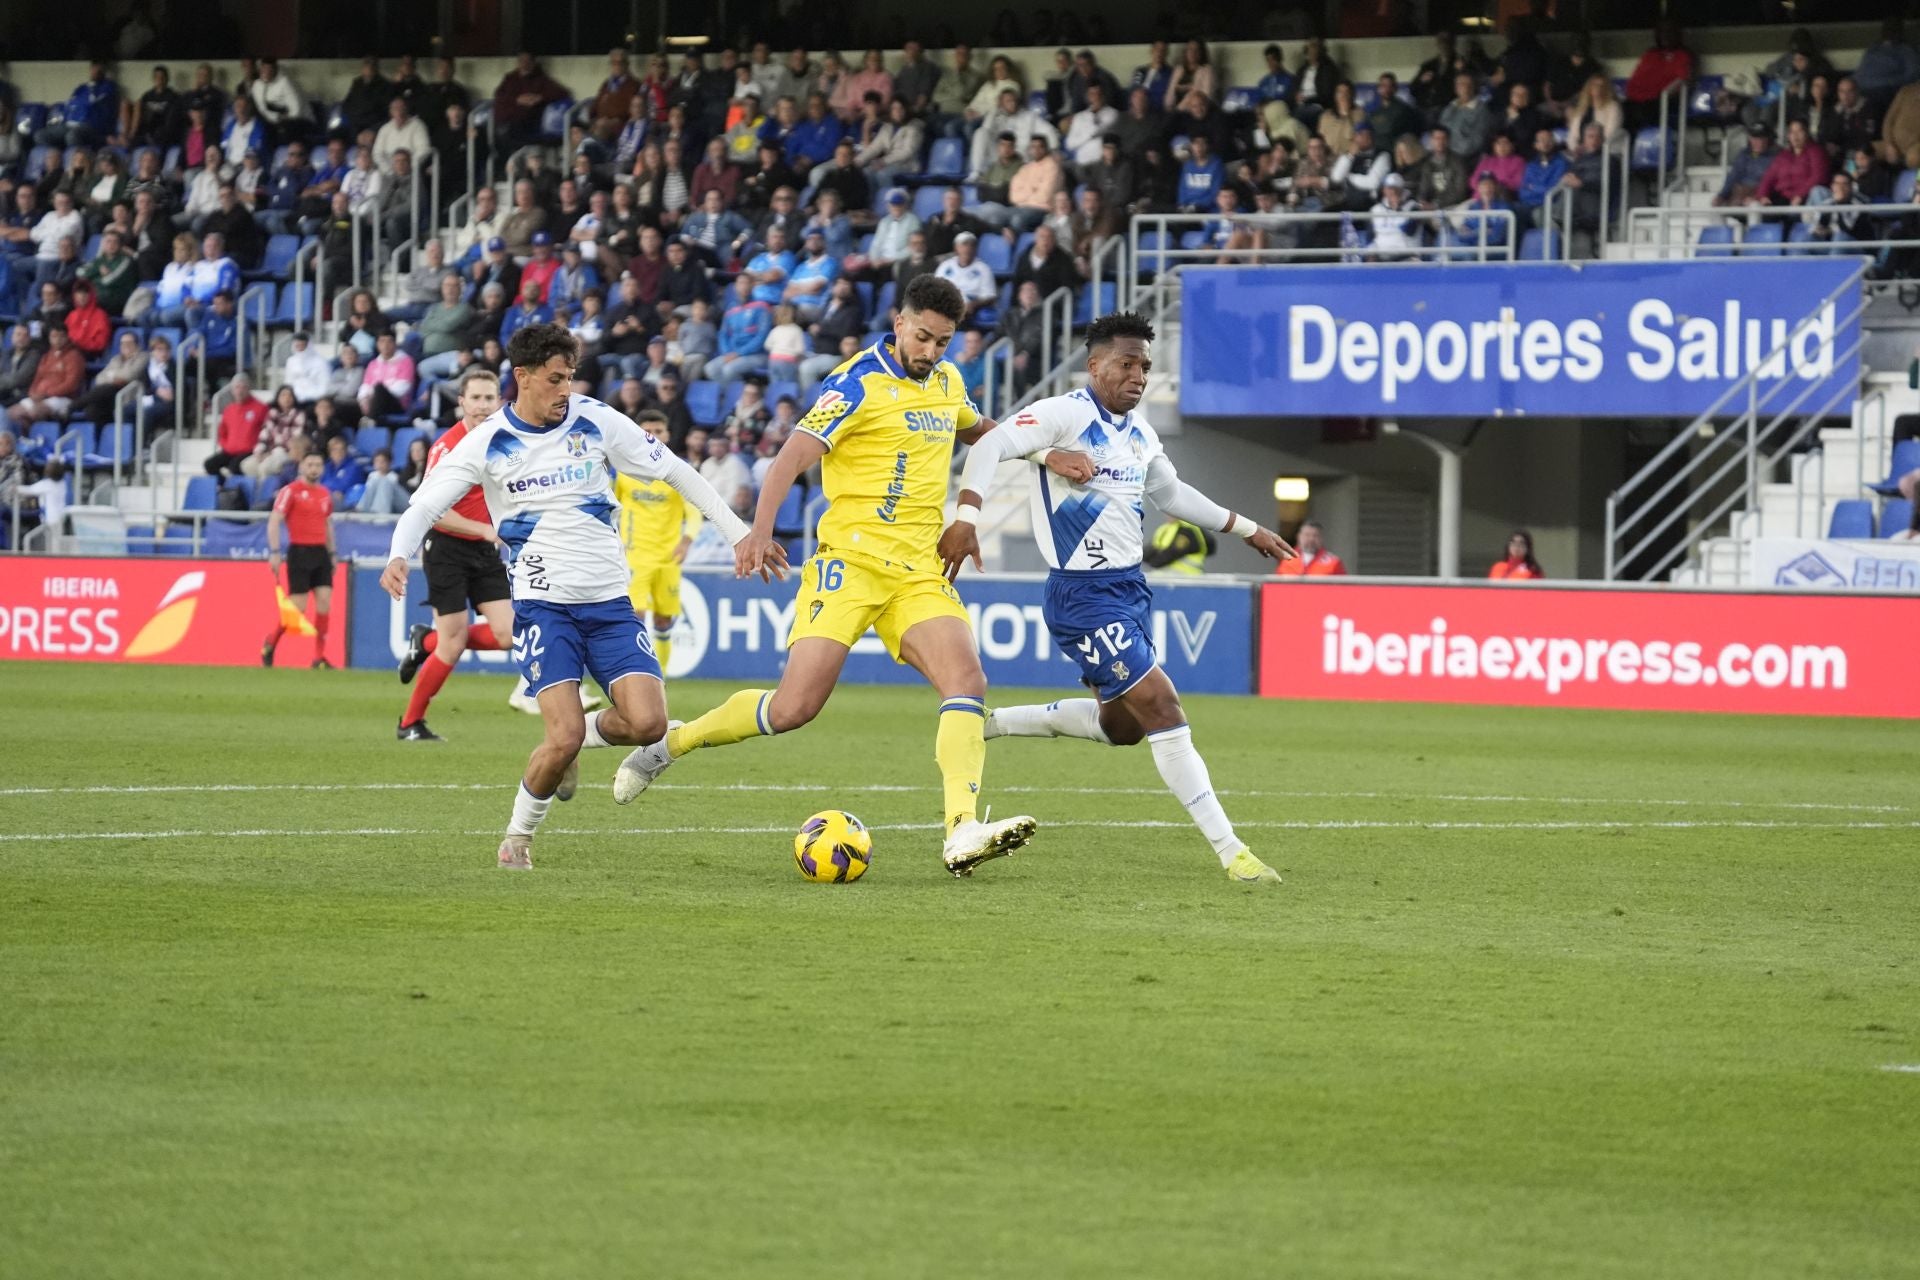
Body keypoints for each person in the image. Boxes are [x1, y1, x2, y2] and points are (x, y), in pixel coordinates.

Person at [618, 274, 1081, 876]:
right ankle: (672, 744)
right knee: (792, 709)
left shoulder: (947, 381)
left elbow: (981, 433)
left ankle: (961, 830)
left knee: (967, 679)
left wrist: (1046, 454)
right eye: (922, 338)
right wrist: (756, 531)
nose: (931, 352)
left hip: (918, 569)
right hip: (850, 564)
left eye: (943, 342)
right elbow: (791, 455)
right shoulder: (857, 383)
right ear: (898, 324)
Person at [380, 323, 764, 871]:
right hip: (543, 606)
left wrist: (739, 533)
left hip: (609, 605)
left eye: (571, 377)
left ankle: (581, 742)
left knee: (650, 725)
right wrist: (399, 553)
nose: (566, 388)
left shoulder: (594, 417)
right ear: (523, 378)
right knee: (558, 737)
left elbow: (676, 471)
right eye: (555, 379)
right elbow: (423, 504)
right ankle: (517, 837)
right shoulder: (487, 442)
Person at [937, 311, 1293, 884]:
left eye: (1146, 365)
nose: (1138, 375)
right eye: (1126, 363)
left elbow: (1172, 494)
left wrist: (1246, 528)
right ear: (1095, 364)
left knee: (1122, 727)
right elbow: (987, 446)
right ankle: (1234, 854)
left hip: (1129, 591)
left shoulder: (1140, 432)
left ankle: (991, 725)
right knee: (1163, 706)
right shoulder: (1063, 414)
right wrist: (968, 516)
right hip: (1082, 595)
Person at [393, 369, 518, 741]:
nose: (482, 405)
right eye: (475, 398)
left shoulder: (504, 441)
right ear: (461, 402)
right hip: (445, 547)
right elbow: (432, 509)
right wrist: (484, 529)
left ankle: (423, 641)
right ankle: (409, 723)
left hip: (483, 548)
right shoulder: (448, 447)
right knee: (453, 643)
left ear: (500, 402)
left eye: (489, 398)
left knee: (510, 635)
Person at [263, 449, 337, 669]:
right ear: (301, 466)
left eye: (318, 464)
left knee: (324, 602)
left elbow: (327, 525)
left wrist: (332, 553)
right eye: (310, 464)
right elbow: (274, 521)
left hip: (320, 553)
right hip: (299, 552)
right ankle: (271, 641)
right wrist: (275, 552)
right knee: (298, 607)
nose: (314, 468)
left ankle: (318, 657)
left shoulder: (324, 493)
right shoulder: (290, 491)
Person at [1274, 520, 1345, 575]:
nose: (1311, 539)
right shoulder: (1286, 560)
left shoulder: (1333, 562)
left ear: (1321, 538)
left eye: (1315, 535)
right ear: (1298, 537)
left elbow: (1344, 588)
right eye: (1307, 535)